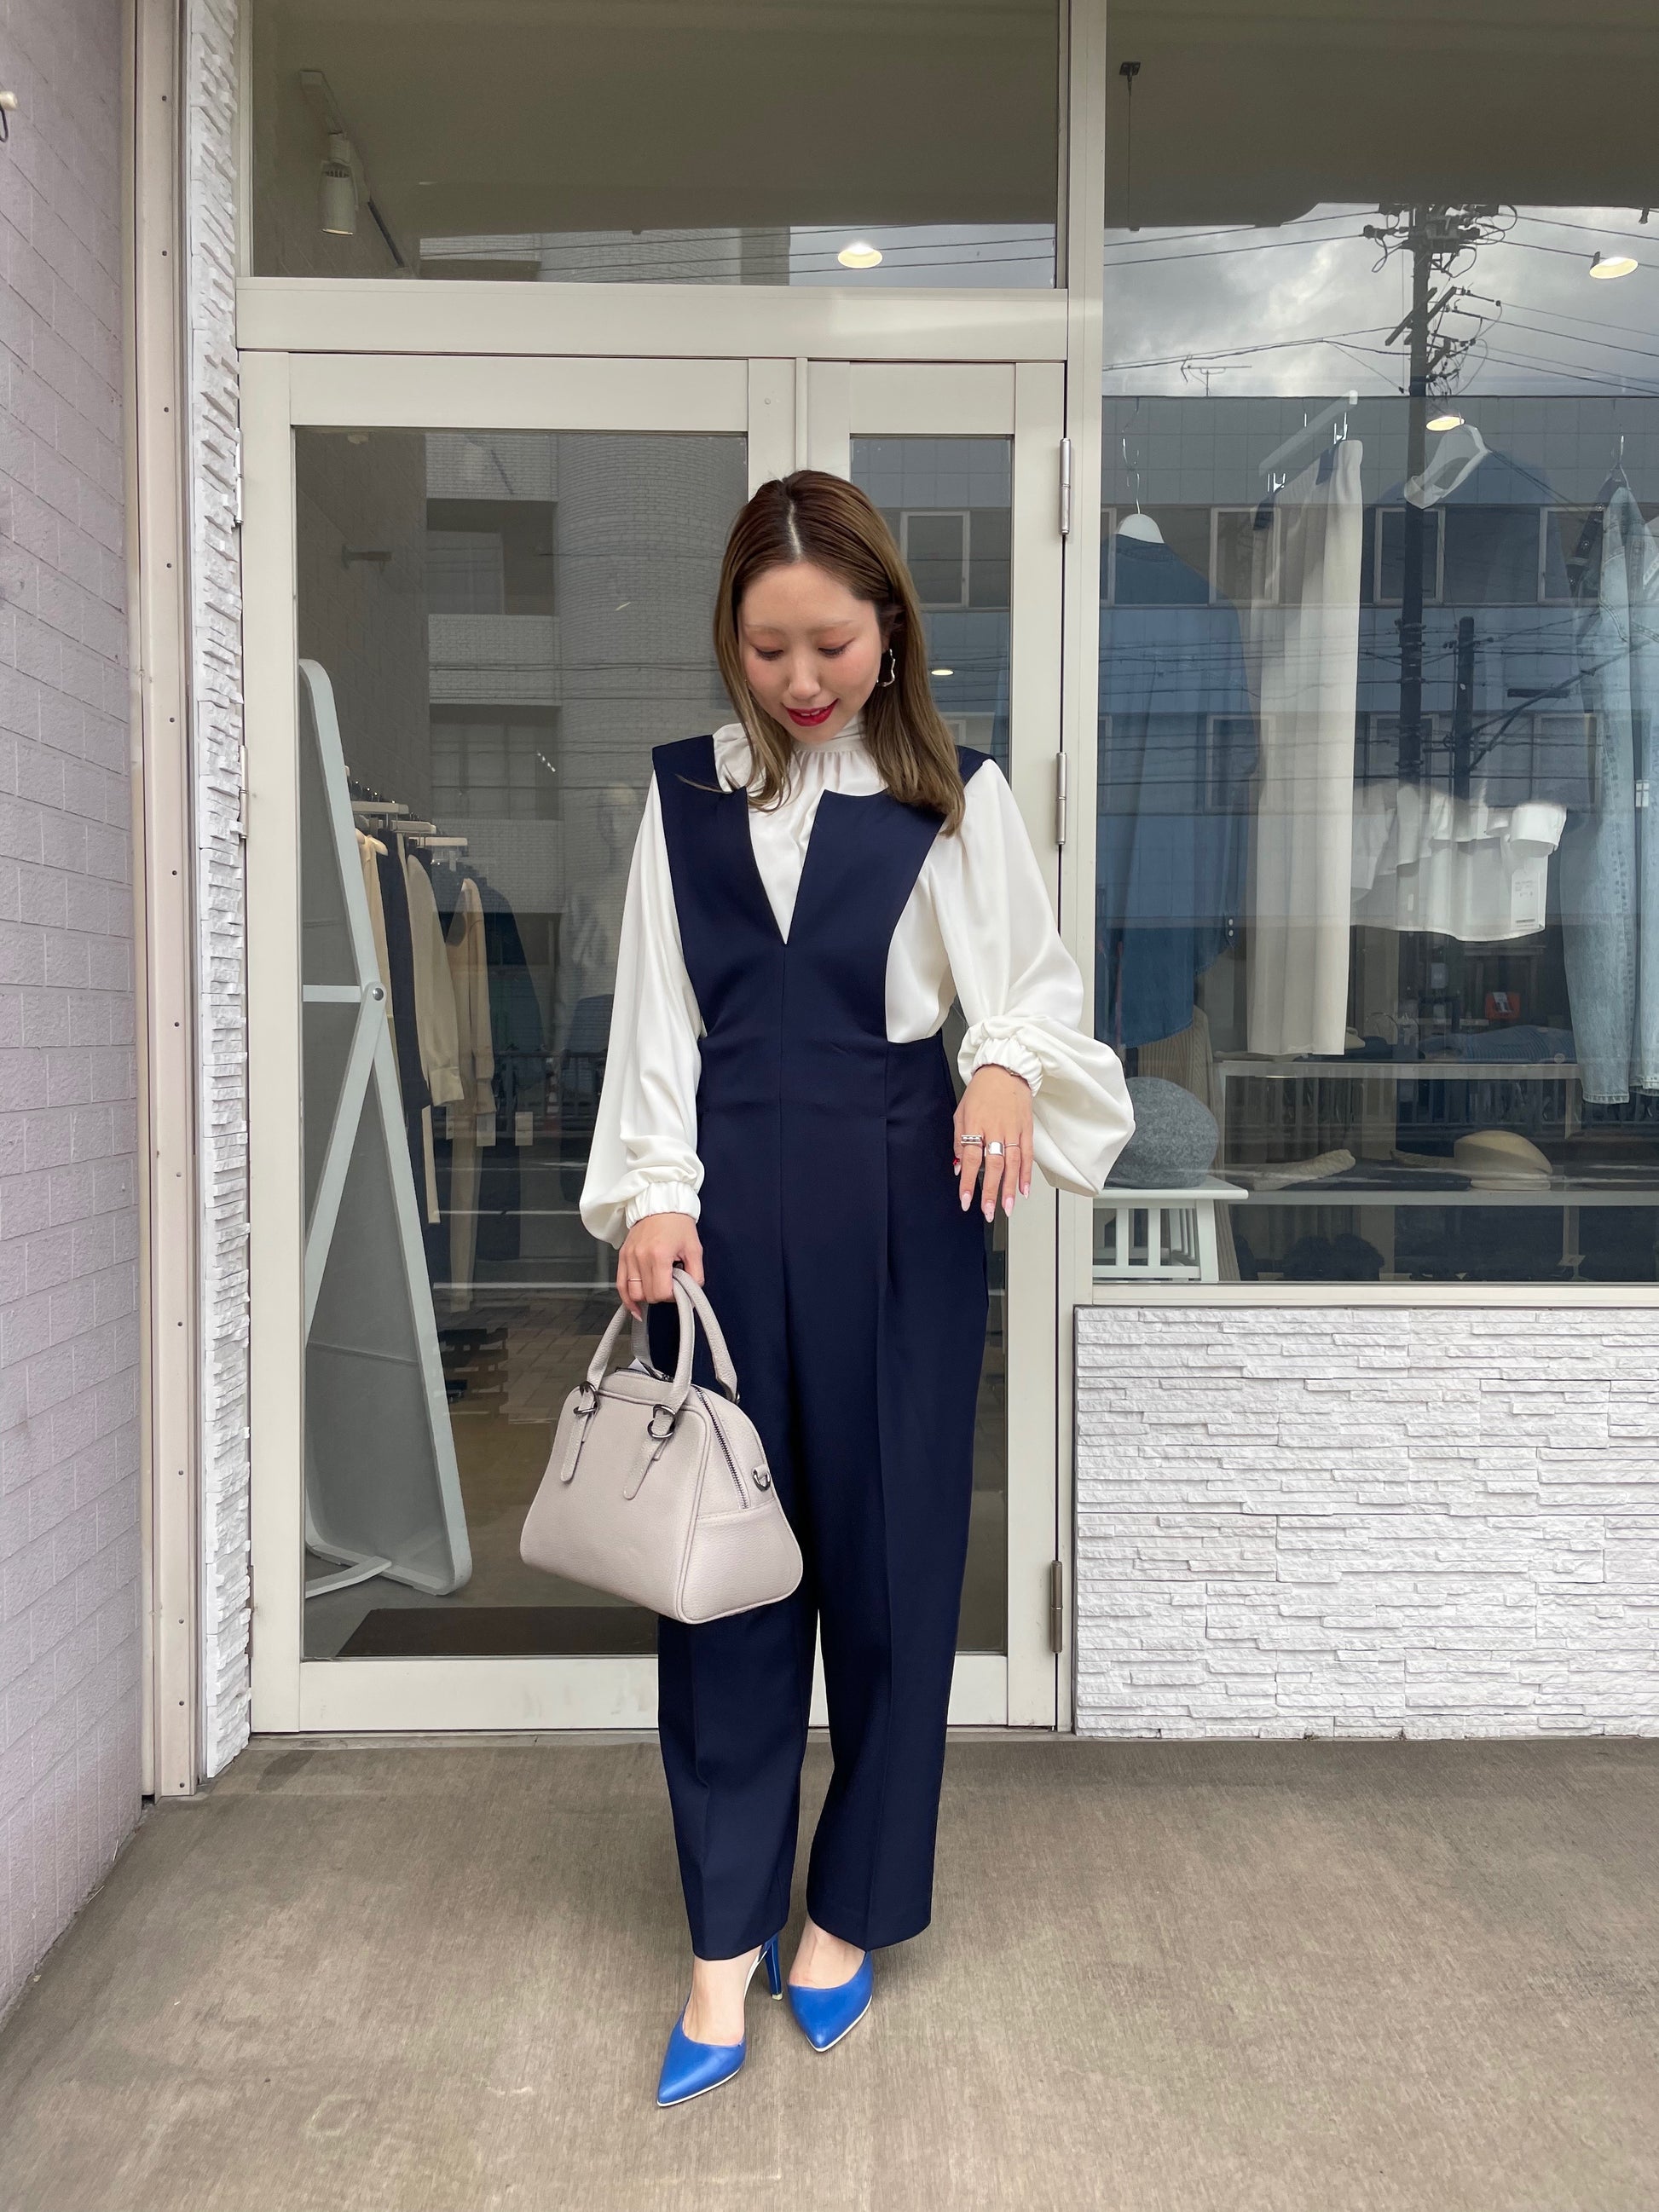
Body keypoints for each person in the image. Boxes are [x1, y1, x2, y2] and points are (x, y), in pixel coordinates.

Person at [580, 471, 1133, 2106]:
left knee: (890, 1581)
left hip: (901, 1213)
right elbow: (653, 1023)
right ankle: (720, 1942)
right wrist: (651, 1197)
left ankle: (843, 1919)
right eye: (767, 650)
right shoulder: (683, 798)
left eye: (830, 642)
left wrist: (1006, 1067)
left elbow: (1028, 988)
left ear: (890, 625)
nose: (801, 678)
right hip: (719, 1231)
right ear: (729, 644)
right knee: (723, 1585)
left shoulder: (952, 798)